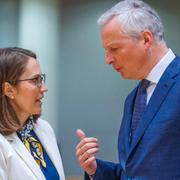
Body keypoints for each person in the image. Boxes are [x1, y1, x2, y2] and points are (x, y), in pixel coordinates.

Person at [75, 0, 180, 179]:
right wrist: (94, 169)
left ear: (146, 39)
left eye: (114, 48)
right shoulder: (133, 98)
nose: (108, 59)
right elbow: (132, 173)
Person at [0, 47, 65, 180]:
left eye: (41, 79)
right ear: (9, 90)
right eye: (34, 80)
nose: (44, 88)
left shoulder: (44, 128)